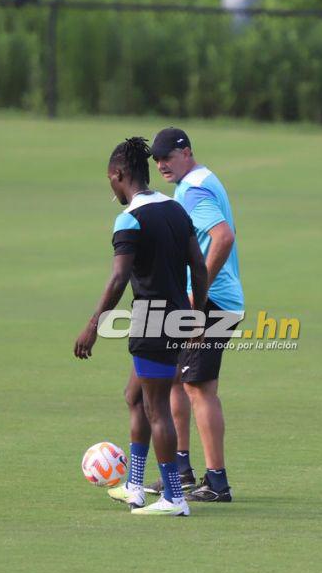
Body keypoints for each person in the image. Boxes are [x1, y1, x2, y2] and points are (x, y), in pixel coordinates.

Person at [74, 136, 208, 516]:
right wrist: (197, 316)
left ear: (118, 175)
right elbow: (198, 267)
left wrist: (92, 326)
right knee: (135, 397)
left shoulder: (129, 218)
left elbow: (118, 279)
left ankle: (173, 498)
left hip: (151, 321)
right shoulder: (176, 210)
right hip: (178, 316)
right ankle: (135, 485)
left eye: (110, 181)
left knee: (156, 409)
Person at [143, 127, 244, 503]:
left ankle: (217, 482)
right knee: (175, 380)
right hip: (208, 300)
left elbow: (223, 236)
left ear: (186, 152)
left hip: (211, 301)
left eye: (167, 156)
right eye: (156, 159)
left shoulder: (194, 189)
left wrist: (196, 294)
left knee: (200, 389)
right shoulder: (200, 180)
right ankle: (181, 469)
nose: (161, 164)